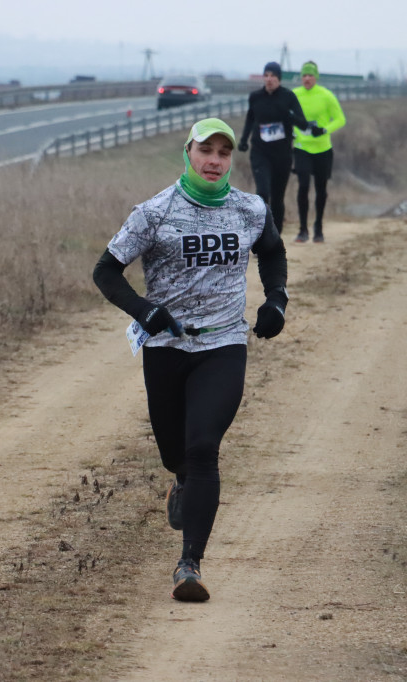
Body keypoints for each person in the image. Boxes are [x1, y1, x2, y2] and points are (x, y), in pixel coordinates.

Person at [92, 118, 289, 602]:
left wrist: (275, 300)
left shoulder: (250, 209)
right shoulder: (154, 212)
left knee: (203, 447)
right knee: (175, 453)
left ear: (230, 160)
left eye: (224, 152)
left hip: (223, 345)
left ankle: (189, 565)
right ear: (189, 152)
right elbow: (106, 271)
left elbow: (273, 252)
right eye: (206, 150)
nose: (215, 160)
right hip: (165, 349)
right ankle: (179, 480)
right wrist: (145, 310)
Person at [239, 61, 321, 234]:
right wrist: (244, 140)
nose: (269, 79)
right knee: (262, 193)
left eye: (273, 76)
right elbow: (250, 119)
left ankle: (276, 237)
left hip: (282, 155)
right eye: (266, 75)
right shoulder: (255, 97)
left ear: (279, 79)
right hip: (260, 152)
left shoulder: (288, 97)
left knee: (277, 198)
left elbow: (302, 122)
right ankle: (261, 235)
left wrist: (290, 116)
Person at [291, 61, 346, 244]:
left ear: (316, 77)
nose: (307, 78)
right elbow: (286, 115)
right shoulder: (294, 95)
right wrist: (291, 130)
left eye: (310, 75)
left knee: (321, 189)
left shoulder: (326, 95)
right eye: (304, 75)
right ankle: (302, 230)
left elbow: (340, 119)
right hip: (301, 148)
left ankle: (318, 227)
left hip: (323, 149)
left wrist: (324, 129)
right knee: (303, 186)